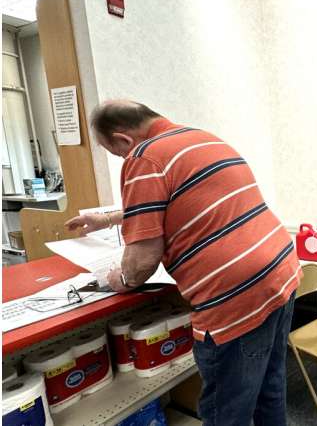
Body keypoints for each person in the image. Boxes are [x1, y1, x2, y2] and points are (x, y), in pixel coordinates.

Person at [66, 100, 301, 426]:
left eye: (116, 153)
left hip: (236, 297)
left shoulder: (144, 156)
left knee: (226, 411)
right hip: (279, 273)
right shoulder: (202, 139)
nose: (123, 159)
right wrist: (106, 219)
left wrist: (118, 278)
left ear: (123, 140)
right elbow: (177, 199)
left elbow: (142, 261)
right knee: (269, 388)